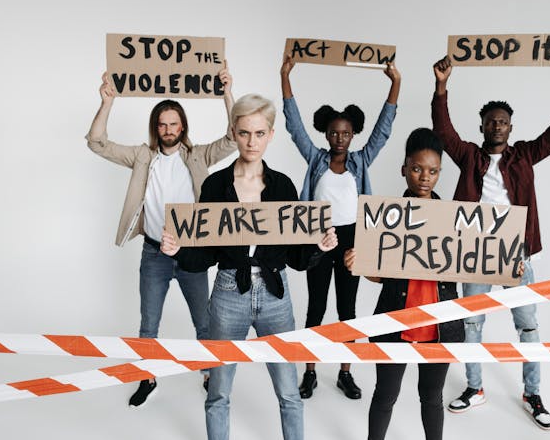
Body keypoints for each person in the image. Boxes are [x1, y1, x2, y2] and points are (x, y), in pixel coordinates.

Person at [160, 93, 338, 440]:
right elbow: (206, 254)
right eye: (244, 133)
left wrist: (318, 247)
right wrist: (178, 250)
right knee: (219, 392)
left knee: (289, 392)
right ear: (234, 131)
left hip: (276, 296)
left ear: (271, 135)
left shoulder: (283, 186)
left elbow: (295, 258)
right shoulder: (215, 185)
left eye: (259, 134)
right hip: (229, 294)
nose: (251, 142)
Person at [431, 53, 550, 430]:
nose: (498, 127)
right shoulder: (469, 156)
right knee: (472, 322)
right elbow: (444, 131)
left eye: (503, 122)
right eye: (491, 122)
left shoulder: (523, 156)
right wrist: (441, 87)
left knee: (528, 325)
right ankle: (475, 388)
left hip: (515, 252)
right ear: (483, 126)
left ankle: (531, 393)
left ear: (510, 126)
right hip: (474, 251)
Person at [86, 66, 236, 407]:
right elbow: (97, 143)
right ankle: (147, 376)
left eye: (173, 124)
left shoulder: (198, 155)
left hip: (192, 254)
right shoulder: (143, 156)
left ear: (182, 126)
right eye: (162, 124)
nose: (168, 130)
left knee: (204, 321)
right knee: (148, 323)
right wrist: (107, 102)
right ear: (156, 127)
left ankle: (210, 374)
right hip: (154, 254)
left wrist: (227, 93)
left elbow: (232, 137)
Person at [280, 55, 401, 400]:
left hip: (351, 241)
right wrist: (285, 76)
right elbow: (294, 127)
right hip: (319, 238)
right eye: (334, 132)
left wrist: (395, 83)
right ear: (326, 133)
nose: (339, 138)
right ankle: (310, 371)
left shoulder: (361, 161)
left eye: (346, 133)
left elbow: (384, 130)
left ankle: (345, 372)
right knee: (316, 307)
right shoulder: (316, 158)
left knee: (347, 310)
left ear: (353, 134)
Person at [343, 127, 465, 440]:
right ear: (404, 169)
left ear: (440, 173)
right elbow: (380, 274)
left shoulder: (455, 219)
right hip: (394, 323)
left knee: (432, 397)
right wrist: (361, 265)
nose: (425, 177)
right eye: (417, 169)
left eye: (433, 171)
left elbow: (478, 261)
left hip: (441, 329)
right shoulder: (386, 217)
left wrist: (505, 264)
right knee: (385, 395)